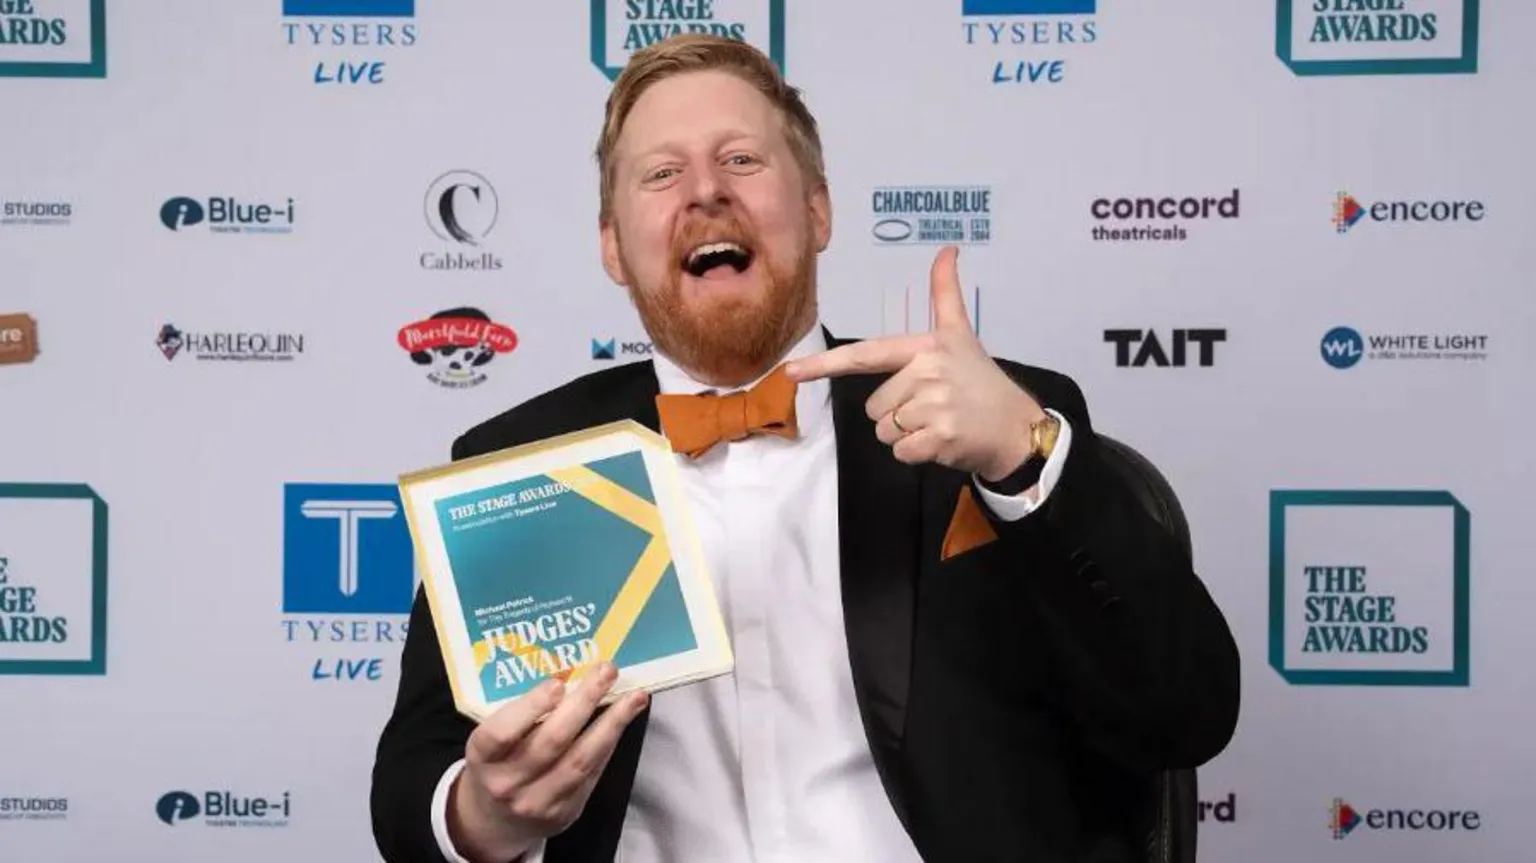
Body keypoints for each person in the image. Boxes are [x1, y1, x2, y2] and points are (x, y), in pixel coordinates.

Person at [370, 33, 1241, 863]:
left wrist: (1025, 456)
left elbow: (1184, 715)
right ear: (612, 248)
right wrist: (481, 813)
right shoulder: (525, 461)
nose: (705, 192)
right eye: (662, 173)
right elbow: (416, 783)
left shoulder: (995, 417)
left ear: (817, 209)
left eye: (741, 160)